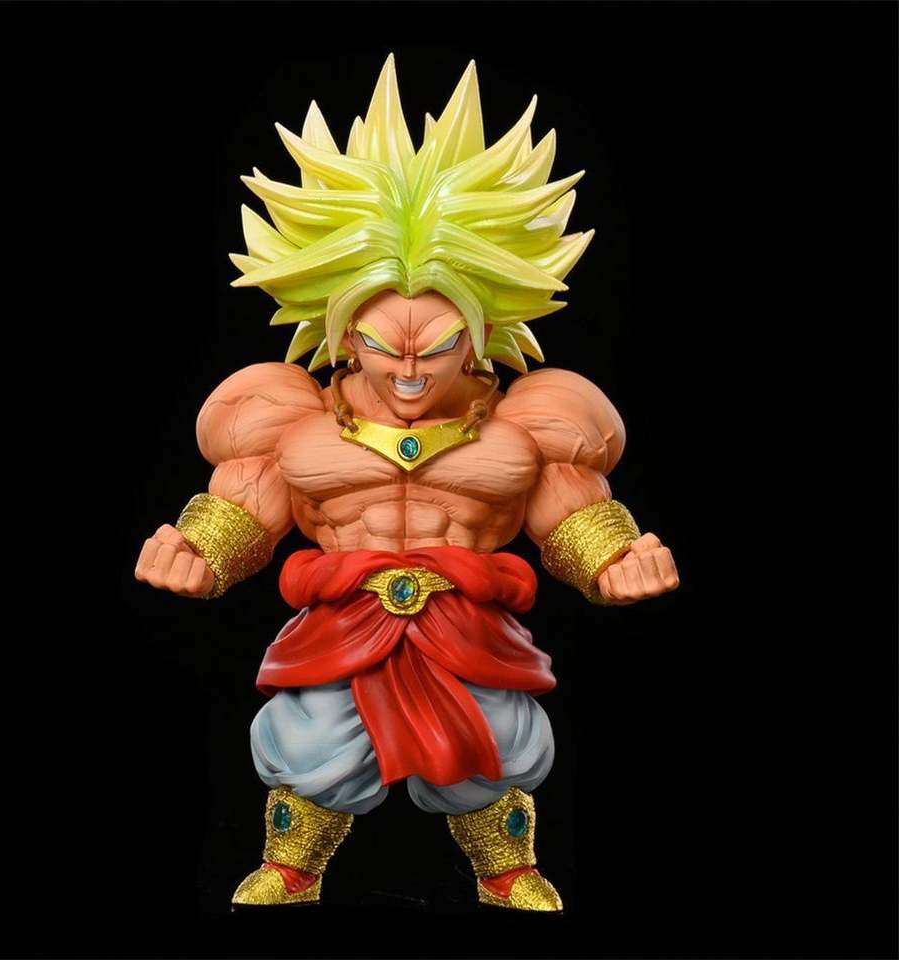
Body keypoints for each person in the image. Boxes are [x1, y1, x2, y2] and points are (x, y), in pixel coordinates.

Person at [135, 54, 678, 912]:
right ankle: (293, 868)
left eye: (439, 346)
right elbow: (245, 505)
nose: (412, 370)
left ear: (482, 333)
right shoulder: (297, 422)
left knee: (494, 742)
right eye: (386, 347)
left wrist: (615, 565)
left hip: (469, 616)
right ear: (345, 335)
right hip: (340, 614)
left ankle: (506, 870)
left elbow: (570, 516)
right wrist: (198, 556)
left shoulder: (524, 427)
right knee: (312, 740)